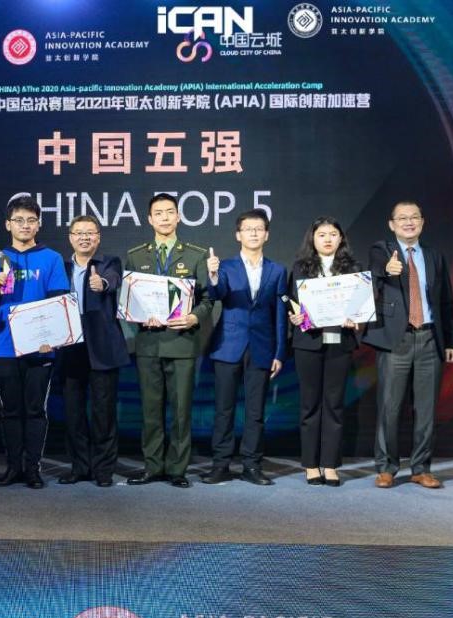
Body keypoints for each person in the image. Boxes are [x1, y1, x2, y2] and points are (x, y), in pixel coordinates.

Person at [364, 200, 453, 489]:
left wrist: (450, 341)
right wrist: (387, 269)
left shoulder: (434, 256)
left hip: (430, 338)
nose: (408, 222)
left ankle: (421, 468)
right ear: (392, 224)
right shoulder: (382, 250)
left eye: (414, 217)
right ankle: (386, 468)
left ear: (422, 222)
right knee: (389, 408)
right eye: (402, 218)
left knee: (426, 410)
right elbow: (375, 270)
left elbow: (446, 301)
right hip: (397, 340)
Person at [0, 194, 70, 489]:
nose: (25, 225)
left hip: (40, 347)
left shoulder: (52, 259)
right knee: (11, 409)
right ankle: (12, 467)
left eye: (31, 220)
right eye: (19, 220)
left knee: (35, 409)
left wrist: (51, 338)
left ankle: (33, 468)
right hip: (5, 346)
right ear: (8, 224)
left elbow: (58, 303)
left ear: (39, 224)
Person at [124, 193, 213, 488]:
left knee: (181, 411)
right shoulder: (136, 255)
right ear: (149, 219)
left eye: (169, 212)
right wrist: (138, 316)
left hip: (182, 342)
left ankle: (177, 469)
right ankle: (152, 467)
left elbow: (208, 299)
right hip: (148, 343)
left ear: (178, 217)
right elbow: (128, 300)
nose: (164, 217)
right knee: (150, 411)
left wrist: (193, 317)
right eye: (158, 213)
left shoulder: (196, 255)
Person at [202, 209, 287, 487]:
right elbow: (217, 294)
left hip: (262, 347)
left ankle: (252, 465)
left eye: (258, 228)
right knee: (223, 410)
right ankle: (220, 464)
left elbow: (279, 315)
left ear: (267, 235)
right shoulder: (225, 267)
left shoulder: (277, 270)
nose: (253, 233)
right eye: (248, 229)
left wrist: (279, 352)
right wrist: (213, 275)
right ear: (238, 235)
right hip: (228, 345)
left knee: (255, 412)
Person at [287, 217, 361, 487]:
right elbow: (291, 304)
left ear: (341, 238)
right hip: (308, 343)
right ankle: (310, 464)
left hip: (339, 343)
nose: (327, 239)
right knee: (310, 405)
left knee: (334, 405)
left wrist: (357, 318)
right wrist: (295, 317)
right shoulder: (300, 268)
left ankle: (329, 464)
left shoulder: (353, 269)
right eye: (322, 234)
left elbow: (361, 305)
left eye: (333, 234)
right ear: (313, 238)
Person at [57, 215, 129, 488]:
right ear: (70, 238)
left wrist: (102, 284)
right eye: (79, 233)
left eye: (90, 233)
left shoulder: (109, 263)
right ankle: (79, 467)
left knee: (103, 412)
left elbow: (113, 280)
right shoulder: (61, 267)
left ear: (98, 238)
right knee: (73, 413)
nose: (84, 238)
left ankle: (103, 470)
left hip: (103, 347)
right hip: (70, 346)